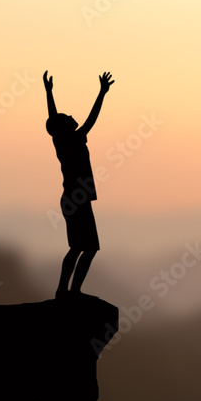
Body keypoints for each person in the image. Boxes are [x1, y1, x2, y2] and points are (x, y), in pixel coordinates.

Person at [44, 70, 114, 298]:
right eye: (67, 117)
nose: (71, 116)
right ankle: (68, 290)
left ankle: (67, 290)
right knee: (85, 247)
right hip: (77, 199)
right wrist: (102, 93)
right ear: (64, 127)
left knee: (81, 247)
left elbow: (53, 119)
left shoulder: (62, 139)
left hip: (75, 199)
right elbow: (91, 118)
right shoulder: (72, 139)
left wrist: (49, 93)